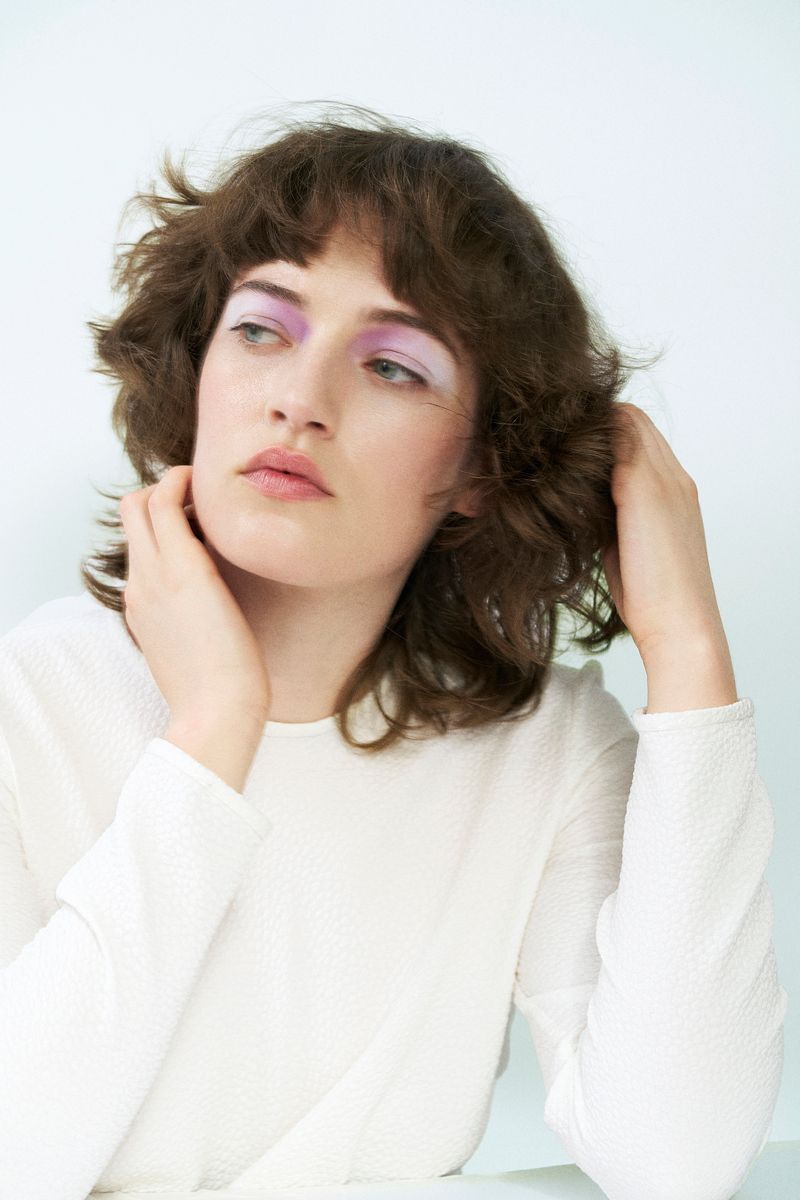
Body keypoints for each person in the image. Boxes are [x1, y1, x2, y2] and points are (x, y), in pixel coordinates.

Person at [0, 103, 786, 1199]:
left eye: (393, 367)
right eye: (262, 329)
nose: (296, 400)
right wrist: (211, 734)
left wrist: (689, 651)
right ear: (196, 373)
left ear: (478, 468)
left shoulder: (547, 751)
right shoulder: (30, 697)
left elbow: (678, 1162)